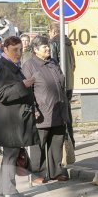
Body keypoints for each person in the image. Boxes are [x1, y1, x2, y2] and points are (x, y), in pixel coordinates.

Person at [0, 36, 39, 197]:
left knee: (9, 156)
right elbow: (2, 95)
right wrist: (23, 85)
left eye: (20, 49)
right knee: (10, 155)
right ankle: (9, 191)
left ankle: (2, 190)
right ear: (5, 50)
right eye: (15, 50)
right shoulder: (4, 68)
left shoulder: (10, 66)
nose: (19, 53)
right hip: (9, 122)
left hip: (11, 120)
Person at [22, 36, 69, 184]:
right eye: (44, 47)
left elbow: (61, 82)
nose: (48, 48)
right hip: (41, 112)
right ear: (35, 50)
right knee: (39, 145)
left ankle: (56, 171)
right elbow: (27, 91)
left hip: (58, 110)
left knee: (56, 142)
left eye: (48, 46)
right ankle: (37, 174)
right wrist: (34, 109)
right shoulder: (29, 65)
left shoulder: (53, 63)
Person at [49, 22, 77, 146]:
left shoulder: (54, 43)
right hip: (69, 83)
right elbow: (73, 65)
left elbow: (52, 64)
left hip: (59, 83)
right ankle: (71, 141)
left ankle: (63, 143)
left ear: (53, 32)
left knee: (59, 114)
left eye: (49, 32)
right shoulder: (68, 44)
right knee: (67, 112)